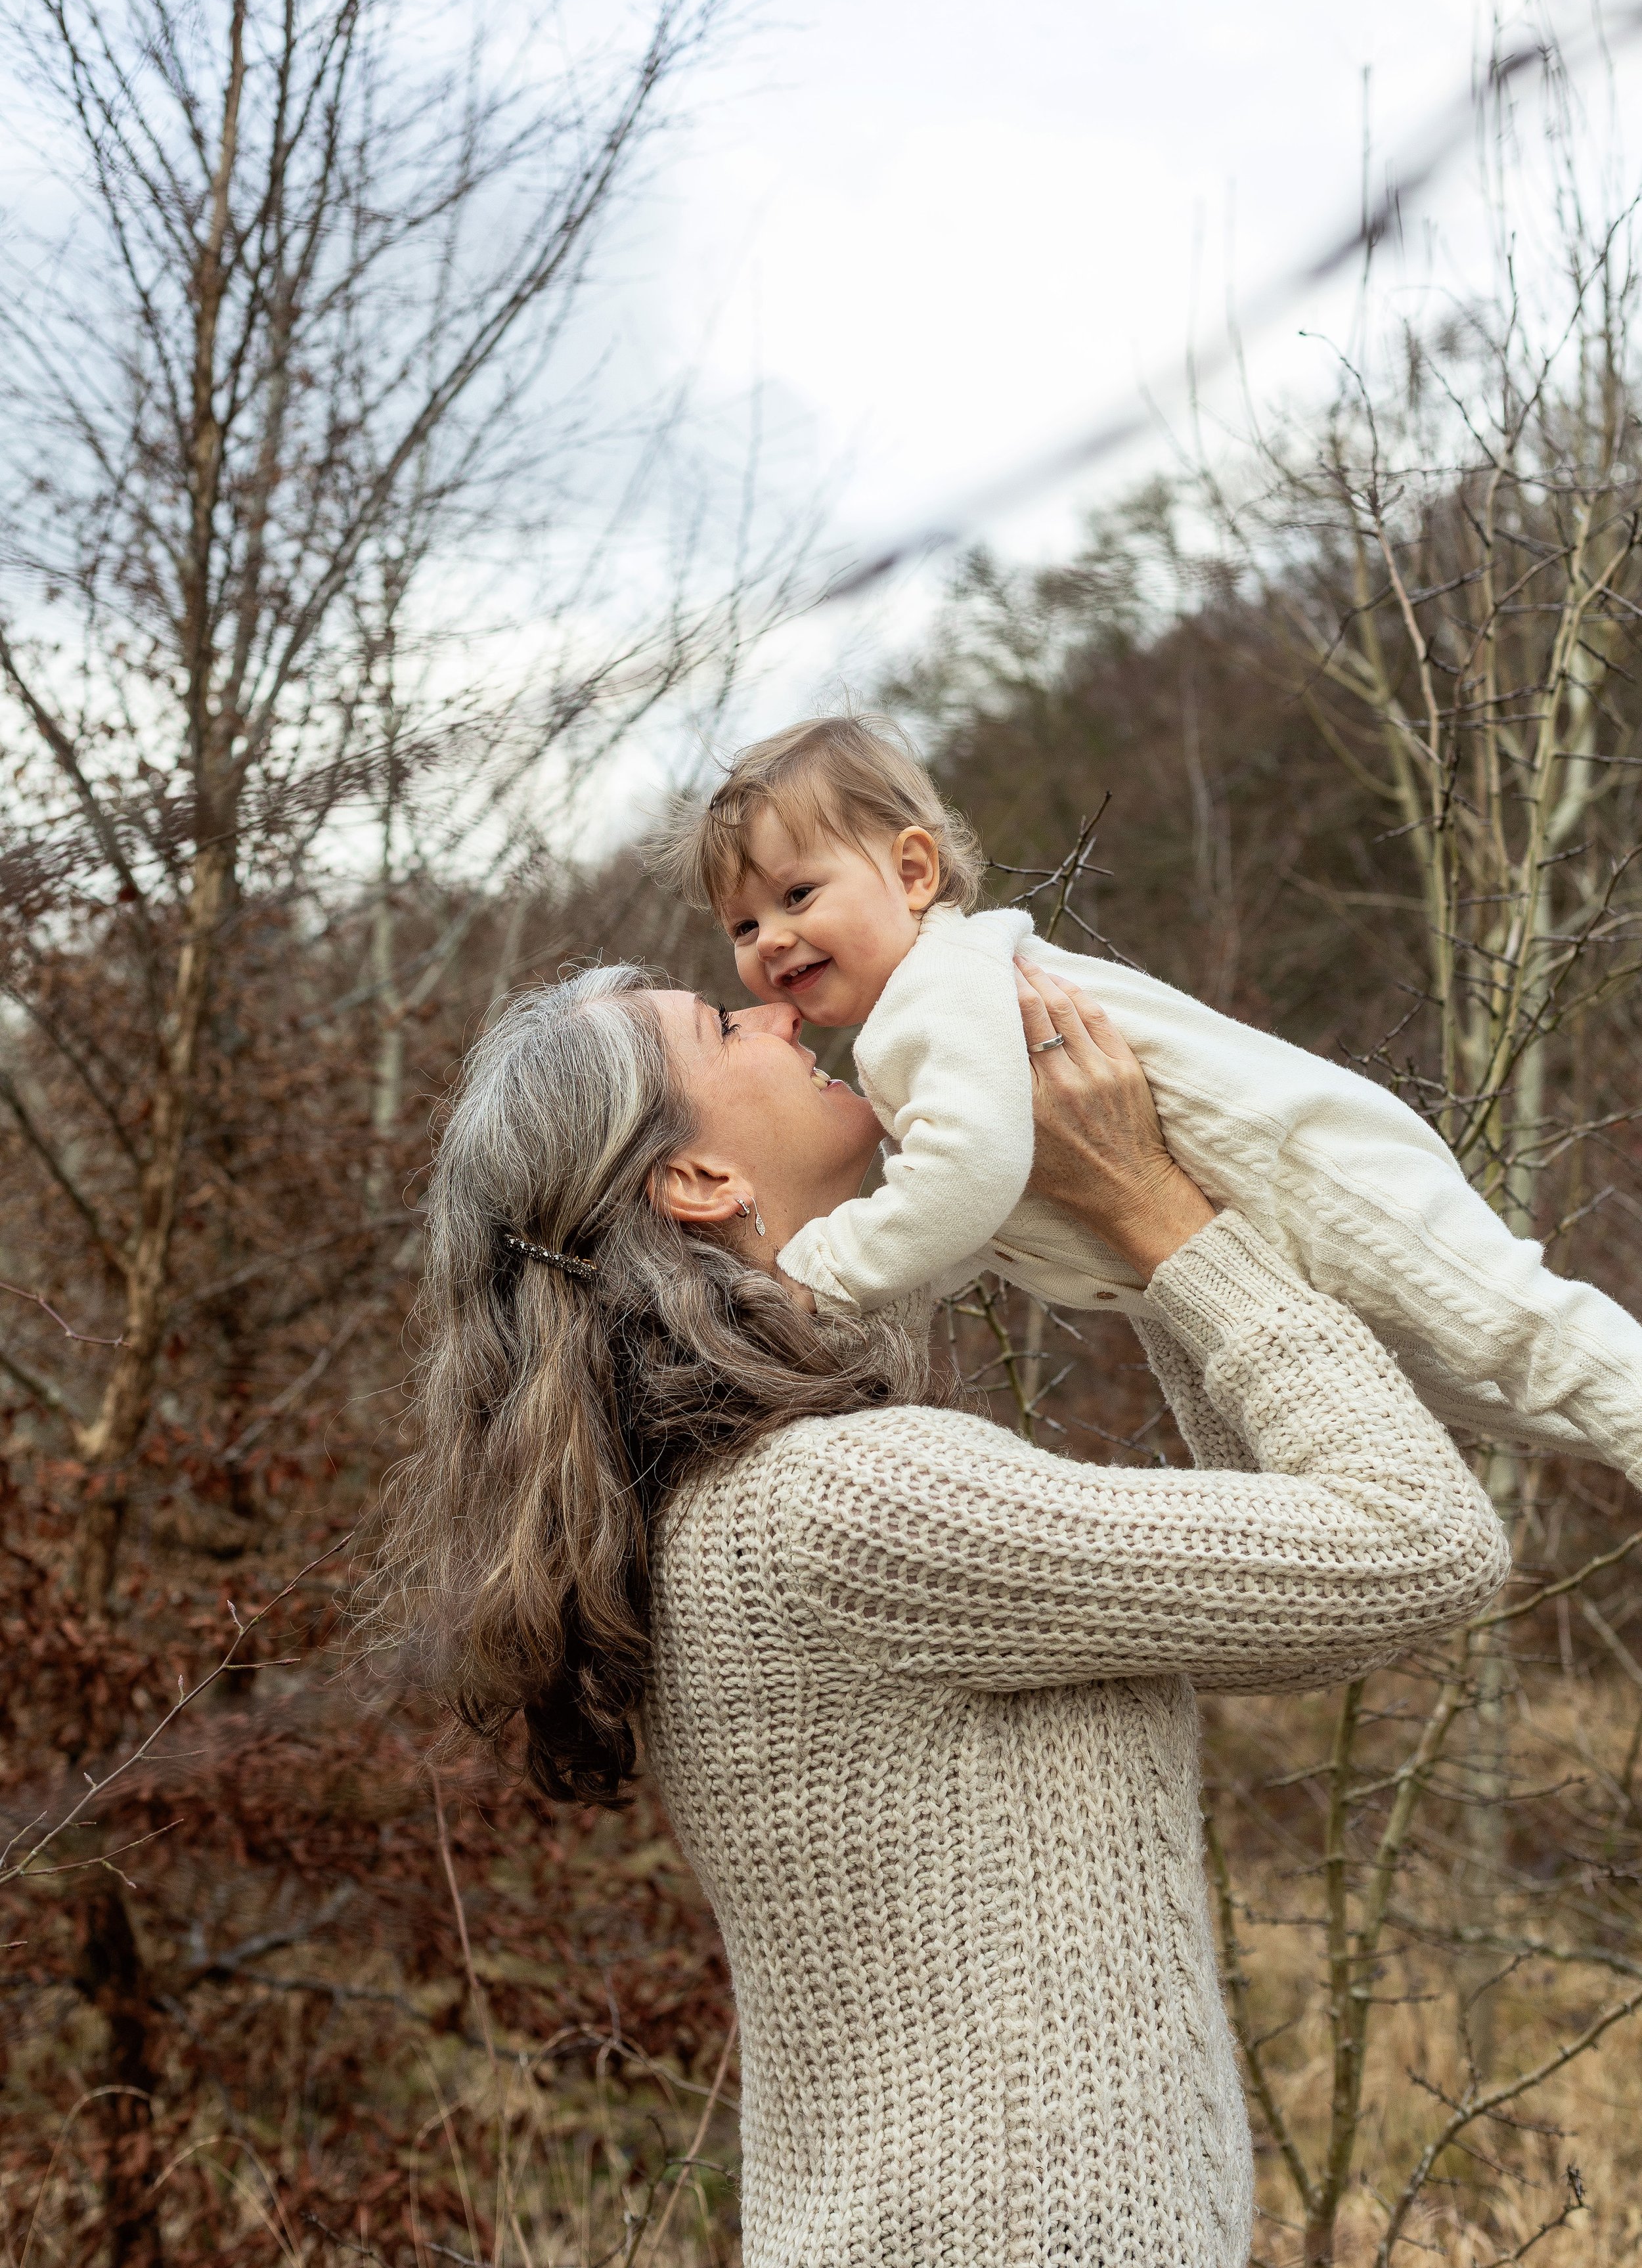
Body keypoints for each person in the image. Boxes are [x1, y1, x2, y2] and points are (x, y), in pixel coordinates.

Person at [372, 956, 1510, 2267]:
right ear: (696, 1183)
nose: (780, 1010)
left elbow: (1283, 1572)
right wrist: (1159, 1213)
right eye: (721, 1024)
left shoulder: (733, 1506)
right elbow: (1415, 1546)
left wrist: (1129, 1240)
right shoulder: (852, 1502)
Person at [652, 714, 1642, 1482]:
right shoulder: (909, 1026)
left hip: (1315, 1170)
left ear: (913, 872)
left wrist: (827, 1270)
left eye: (796, 896)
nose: (769, 941)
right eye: (741, 924)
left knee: (1522, 1335)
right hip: (1263, 1221)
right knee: (1500, 1395)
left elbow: (969, 1178)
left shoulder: (939, 985)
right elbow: (963, 1217)